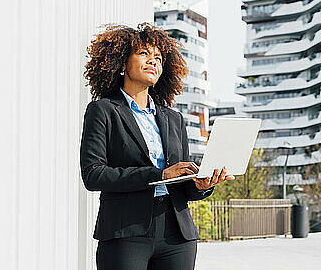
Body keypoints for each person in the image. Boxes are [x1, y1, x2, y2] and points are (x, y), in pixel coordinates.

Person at [80, 22, 233, 270]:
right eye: (144, 54)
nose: (153, 61)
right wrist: (159, 175)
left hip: (177, 235)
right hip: (125, 232)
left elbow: (182, 183)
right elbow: (94, 174)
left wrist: (202, 185)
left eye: (159, 58)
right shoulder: (103, 111)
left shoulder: (174, 119)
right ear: (121, 63)